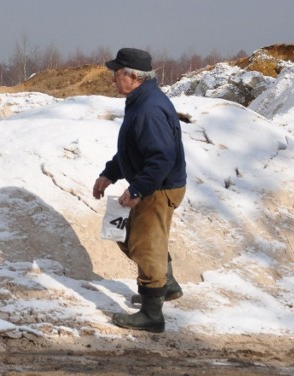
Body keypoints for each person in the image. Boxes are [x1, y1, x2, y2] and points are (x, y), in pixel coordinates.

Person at [92, 48, 187, 333]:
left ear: (133, 76)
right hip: (153, 184)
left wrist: (138, 189)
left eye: (116, 73)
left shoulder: (149, 108)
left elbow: (160, 157)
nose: (112, 80)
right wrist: (110, 172)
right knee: (131, 237)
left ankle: (151, 314)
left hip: (157, 188)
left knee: (145, 247)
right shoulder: (140, 100)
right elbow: (134, 149)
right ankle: (165, 286)